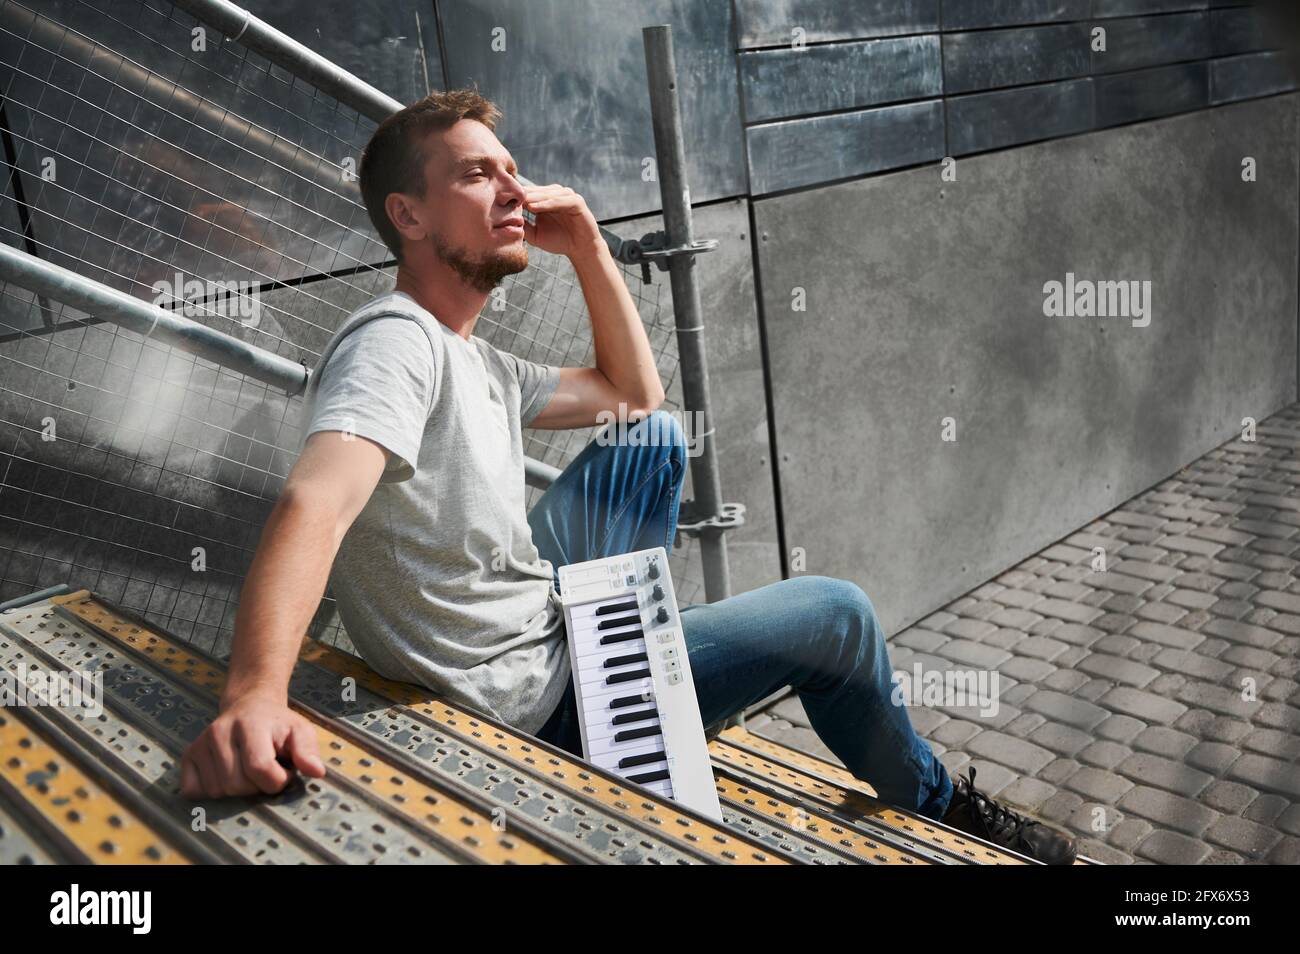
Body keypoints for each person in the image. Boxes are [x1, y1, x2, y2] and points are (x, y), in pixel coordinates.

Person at [179, 89, 1078, 865]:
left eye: (512, 169)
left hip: (547, 625)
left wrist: (591, 252)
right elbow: (316, 502)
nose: (514, 190)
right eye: (476, 174)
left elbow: (631, 394)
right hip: (536, 698)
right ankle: (938, 801)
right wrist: (255, 694)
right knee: (840, 616)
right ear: (408, 216)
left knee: (648, 441)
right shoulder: (395, 342)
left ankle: (637, 663)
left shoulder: (474, 360)